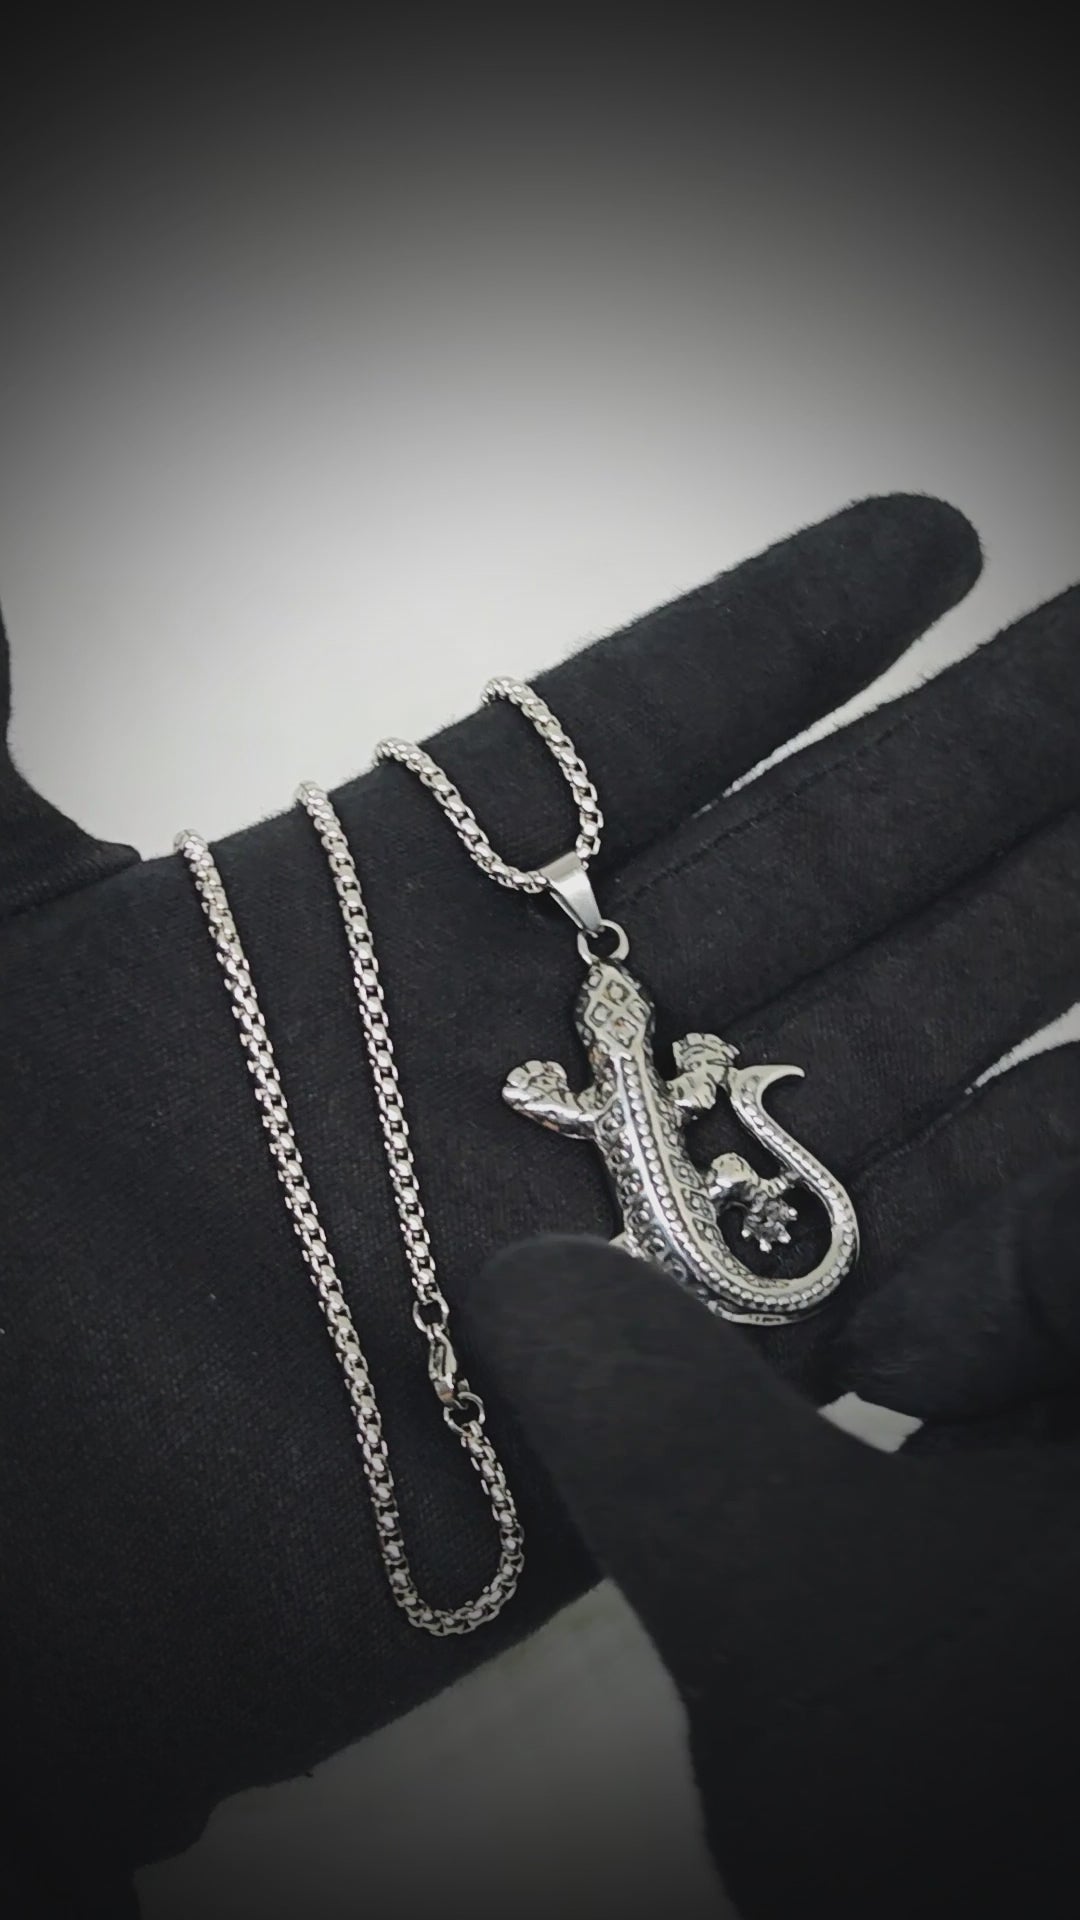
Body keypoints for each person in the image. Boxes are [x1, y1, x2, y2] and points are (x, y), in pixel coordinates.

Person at [2, 493, 1078, 1917]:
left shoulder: (600, 1079)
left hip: (678, 1215)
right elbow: (628, 1106)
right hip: (677, 1199)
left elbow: (603, 1106)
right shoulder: (621, 1074)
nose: (612, 1012)